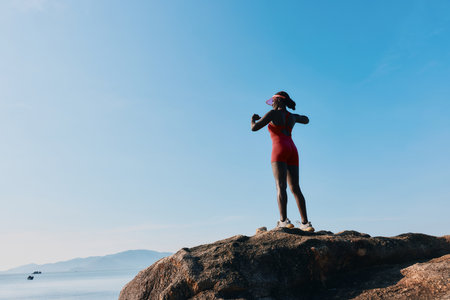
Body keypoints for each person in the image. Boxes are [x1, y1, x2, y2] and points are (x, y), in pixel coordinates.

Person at [251, 91, 314, 232]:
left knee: (281, 186)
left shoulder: (272, 114)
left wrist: (253, 119)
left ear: (278, 101)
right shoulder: (291, 116)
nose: (272, 103)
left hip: (279, 149)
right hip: (292, 149)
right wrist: (296, 117)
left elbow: (254, 128)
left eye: (273, 101)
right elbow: (306, 119)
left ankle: (283, 221)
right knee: (295, 188)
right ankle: (305, 223)